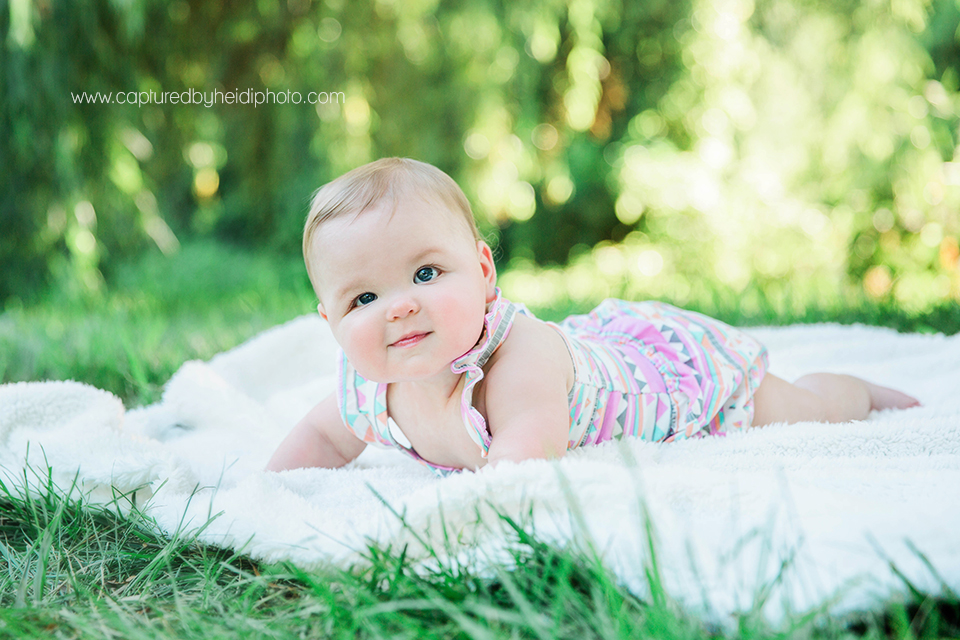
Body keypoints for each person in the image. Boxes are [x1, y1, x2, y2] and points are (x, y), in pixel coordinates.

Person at [266, 158, 920, 476]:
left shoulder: (518, 362)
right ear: (330, 323)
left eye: (426, 274)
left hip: (670, 379)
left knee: (802, 410)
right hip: (598, 352)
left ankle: (857, 390)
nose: (399, 305)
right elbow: (319, 443)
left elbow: (522, 468)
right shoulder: (364, 389)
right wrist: (266, 495)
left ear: (485, 274)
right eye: (364, 299)